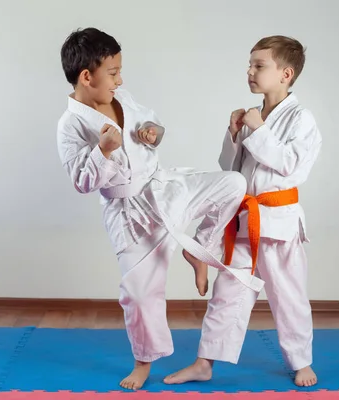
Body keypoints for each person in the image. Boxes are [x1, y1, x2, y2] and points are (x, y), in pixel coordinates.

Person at [56, 27, 264, 391]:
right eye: (113, 72)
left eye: (120, 71)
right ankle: (143, 361)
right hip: (130, 214)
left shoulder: (124, 98)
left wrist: (153, 132)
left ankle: (198, 250)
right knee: (139, 293)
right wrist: (102, 151)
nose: (120, 80)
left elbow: (153, 127)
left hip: (165, 190)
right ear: (87, 77)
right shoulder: (69, 125)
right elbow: (82, 182)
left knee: (233, 184)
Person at [164, 35, 322, 388]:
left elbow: (292, 168)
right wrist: (235, 133)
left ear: (286, 73)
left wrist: (259, 129)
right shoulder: (255, 115)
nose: (250, 72)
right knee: (227, 295)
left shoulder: (301, 118)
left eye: (259, 65)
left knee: (288, 296)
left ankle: (301, 362)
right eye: (249, 65)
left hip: (279, 223)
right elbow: (230, 170)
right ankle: (205, 362)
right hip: (246, 222)